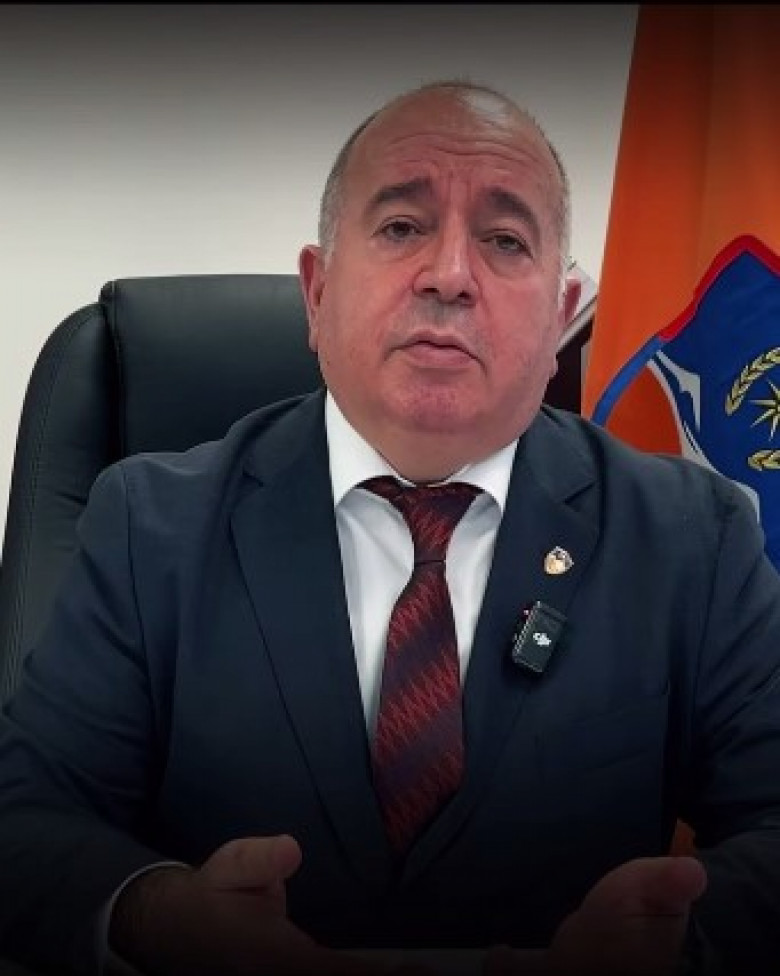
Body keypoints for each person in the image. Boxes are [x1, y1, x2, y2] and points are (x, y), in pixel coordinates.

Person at [0, 79, 779, 976]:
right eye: (403, 226)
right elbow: (26, 819)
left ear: (562, 316)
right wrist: (158, 913)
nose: (450, 275)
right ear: (317, 291)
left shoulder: (691, 537)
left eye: (504, 239)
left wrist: (681, 942)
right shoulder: (152, 525)